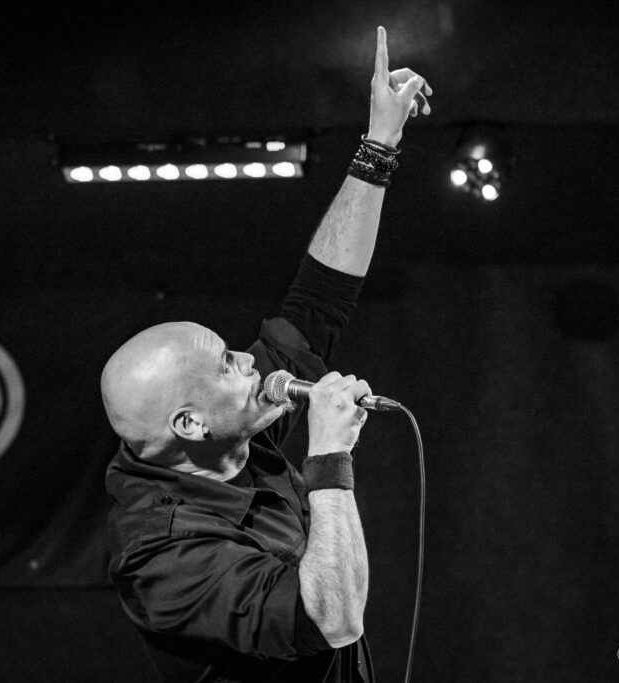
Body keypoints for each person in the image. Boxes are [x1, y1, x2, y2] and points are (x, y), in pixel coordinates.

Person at [101, 26, 432, 683]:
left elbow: (318, 301)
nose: (250, 362)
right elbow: (331, 619)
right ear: (189, 423)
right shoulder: (163, 557)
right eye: (227, 363)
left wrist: (379, 145)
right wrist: (330, 455)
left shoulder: (231, 432)